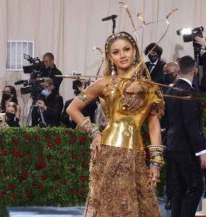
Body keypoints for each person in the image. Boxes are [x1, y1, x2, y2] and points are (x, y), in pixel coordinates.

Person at [67, 31, 165, 217]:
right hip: (108, 152)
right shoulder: (103, 84)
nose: (123, 55)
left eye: (126, 49)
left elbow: (153, 124)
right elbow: (72, 108)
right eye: (116, 52)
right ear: (110, 57)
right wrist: (94, 132)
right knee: (108, 205)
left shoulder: (150, 87)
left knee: (137, 206)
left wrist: (156, 162)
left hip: (136, 155)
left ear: (134, 51)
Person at [165, 56, 206, 217]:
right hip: (185, 148)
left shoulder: (170, 89)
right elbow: (191, 125)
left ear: (178, 71)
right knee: (195, 187)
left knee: (179, 190)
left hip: (172, 145)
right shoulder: (188, 92)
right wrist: (202, 151)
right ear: (195, 70)